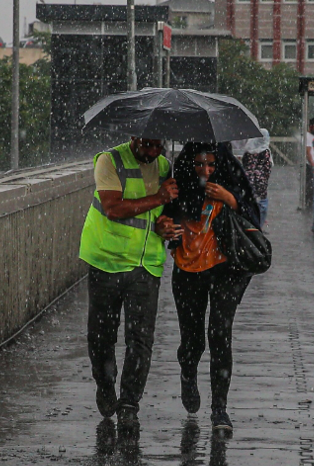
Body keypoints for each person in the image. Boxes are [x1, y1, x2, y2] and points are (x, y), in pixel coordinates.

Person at [79, 136, 181, 430]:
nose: (152, 152)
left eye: (158, 146)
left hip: (145, 265)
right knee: (101, 336)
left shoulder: (165, 167)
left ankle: (129, 403)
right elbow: (112, 208)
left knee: (140, 340)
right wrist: (159, 199)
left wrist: (166, 224)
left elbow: (167, 215)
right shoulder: (109, 161)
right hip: (106, 261)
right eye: (147, 145)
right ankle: (105, 383)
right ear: (134, 137)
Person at [164, 142, 261, 432]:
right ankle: (188, 371)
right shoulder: (178, 186)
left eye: (210, 164)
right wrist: (167, 223)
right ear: (188, 165)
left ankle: (220, 409)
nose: (205, 170)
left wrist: (230, 199)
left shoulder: (232, 181)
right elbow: (163, 220)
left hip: (225, 270)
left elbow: (253, 217)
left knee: (220, 334)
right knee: (193, 339)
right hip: (188, 271)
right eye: (198, 164)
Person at [242, 128, 274, 229]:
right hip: (261, 185)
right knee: (262, 204)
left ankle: (250, 224)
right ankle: (258, 226)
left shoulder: (247, 152)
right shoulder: (265, 152)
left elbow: (244, 165)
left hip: (247, 184)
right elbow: (268, 167)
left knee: (249, 203)